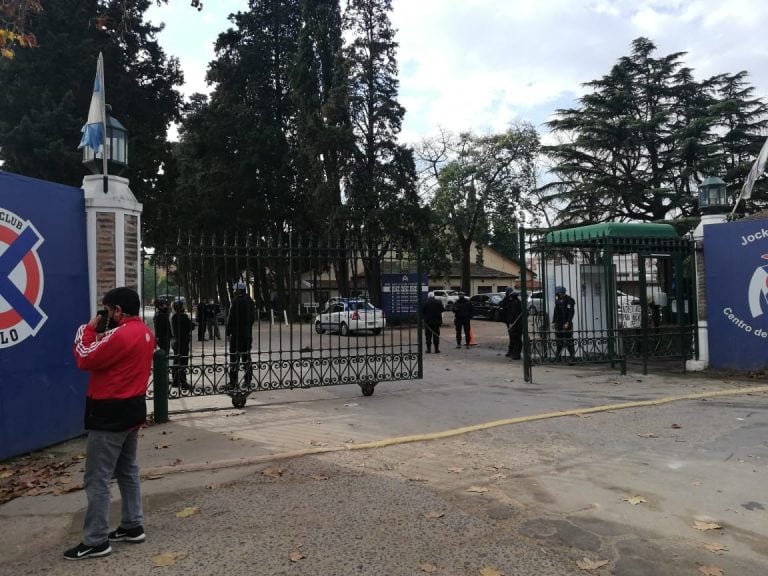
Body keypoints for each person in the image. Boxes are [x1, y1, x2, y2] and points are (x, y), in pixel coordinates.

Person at [66, 287, 155, 560]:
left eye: (107, 310)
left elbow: (84, 356)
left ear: (117, 310)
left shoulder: (119, 335)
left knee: (98, 477)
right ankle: (132, 524)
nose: (104, 315)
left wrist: (87, 328)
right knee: (127, 470)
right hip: (132, 410)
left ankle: (96, 539)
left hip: (109, 414)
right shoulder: (145, 332)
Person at [227, 280, 255, 390]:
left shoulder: (235, 301)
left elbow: (231, 318)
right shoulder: (250, 301)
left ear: (238, 290)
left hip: (236, 334)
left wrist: (228, 332)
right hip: (247, 334)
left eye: (235, 290)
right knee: (246, 358)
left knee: (234, 358)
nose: (234, 291)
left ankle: (233, 382)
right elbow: (252, 318)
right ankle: (247, 381)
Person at [171, 300, 192, 389]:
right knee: (183, 362)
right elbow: (190, 327)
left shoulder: (173, 316)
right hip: (183, 342)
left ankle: (175, 381)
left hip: (176, 341)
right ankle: (183, 383)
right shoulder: (184, 316)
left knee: (177, 360)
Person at [552, 285, 576, 362]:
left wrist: (568, 322)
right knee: (559, 341)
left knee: (569, 341)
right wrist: (554, 322)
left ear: (562, 293)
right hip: (559, 324)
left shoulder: (569, 300)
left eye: (558, 293)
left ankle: (572, 358)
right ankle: (558, 357)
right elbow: (555, 312)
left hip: (566, 324)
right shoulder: (558, 301)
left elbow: (571, 312)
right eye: (557, 294)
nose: (557, 295)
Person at [501, 288, 523, 359]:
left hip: (516, 324)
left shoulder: (515, 303)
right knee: (513, 338)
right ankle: (512, 352)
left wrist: (511, 323)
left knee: (516, 339)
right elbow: (501, 304)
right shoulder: (511, 302)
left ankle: (516, 354)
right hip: (512, 323)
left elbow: (514, 314)